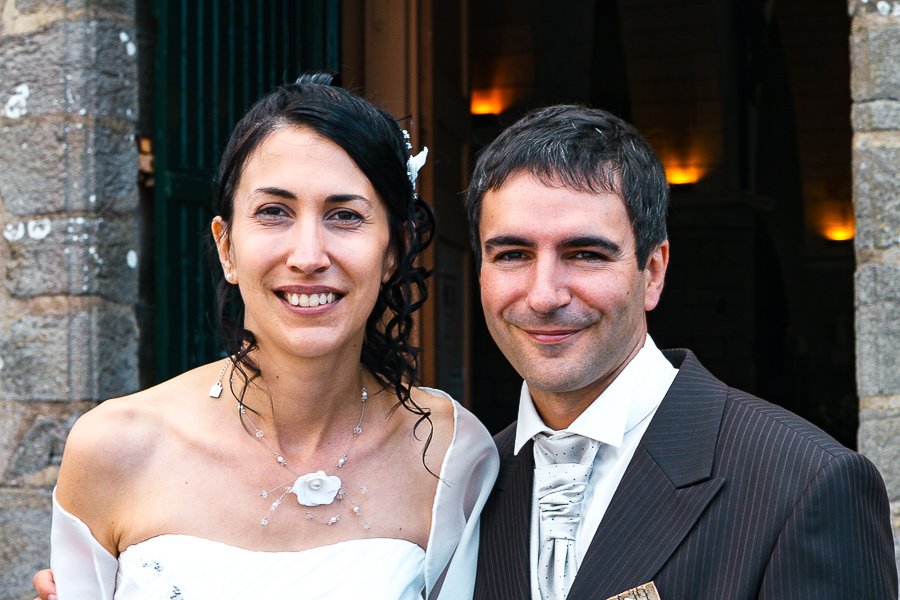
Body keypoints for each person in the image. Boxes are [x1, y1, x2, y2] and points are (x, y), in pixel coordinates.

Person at [37, 72, 498, 599]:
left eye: (345, 216)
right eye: (274, 212)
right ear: (227, 247)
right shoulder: (115, 447)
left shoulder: (450, 453)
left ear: (393, 251)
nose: (307, 256)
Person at [466, 105, 898, 599]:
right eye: (512, 255)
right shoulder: (466, 486)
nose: (544, 295)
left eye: (585, 254)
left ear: (653, 272)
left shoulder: (807, 482)